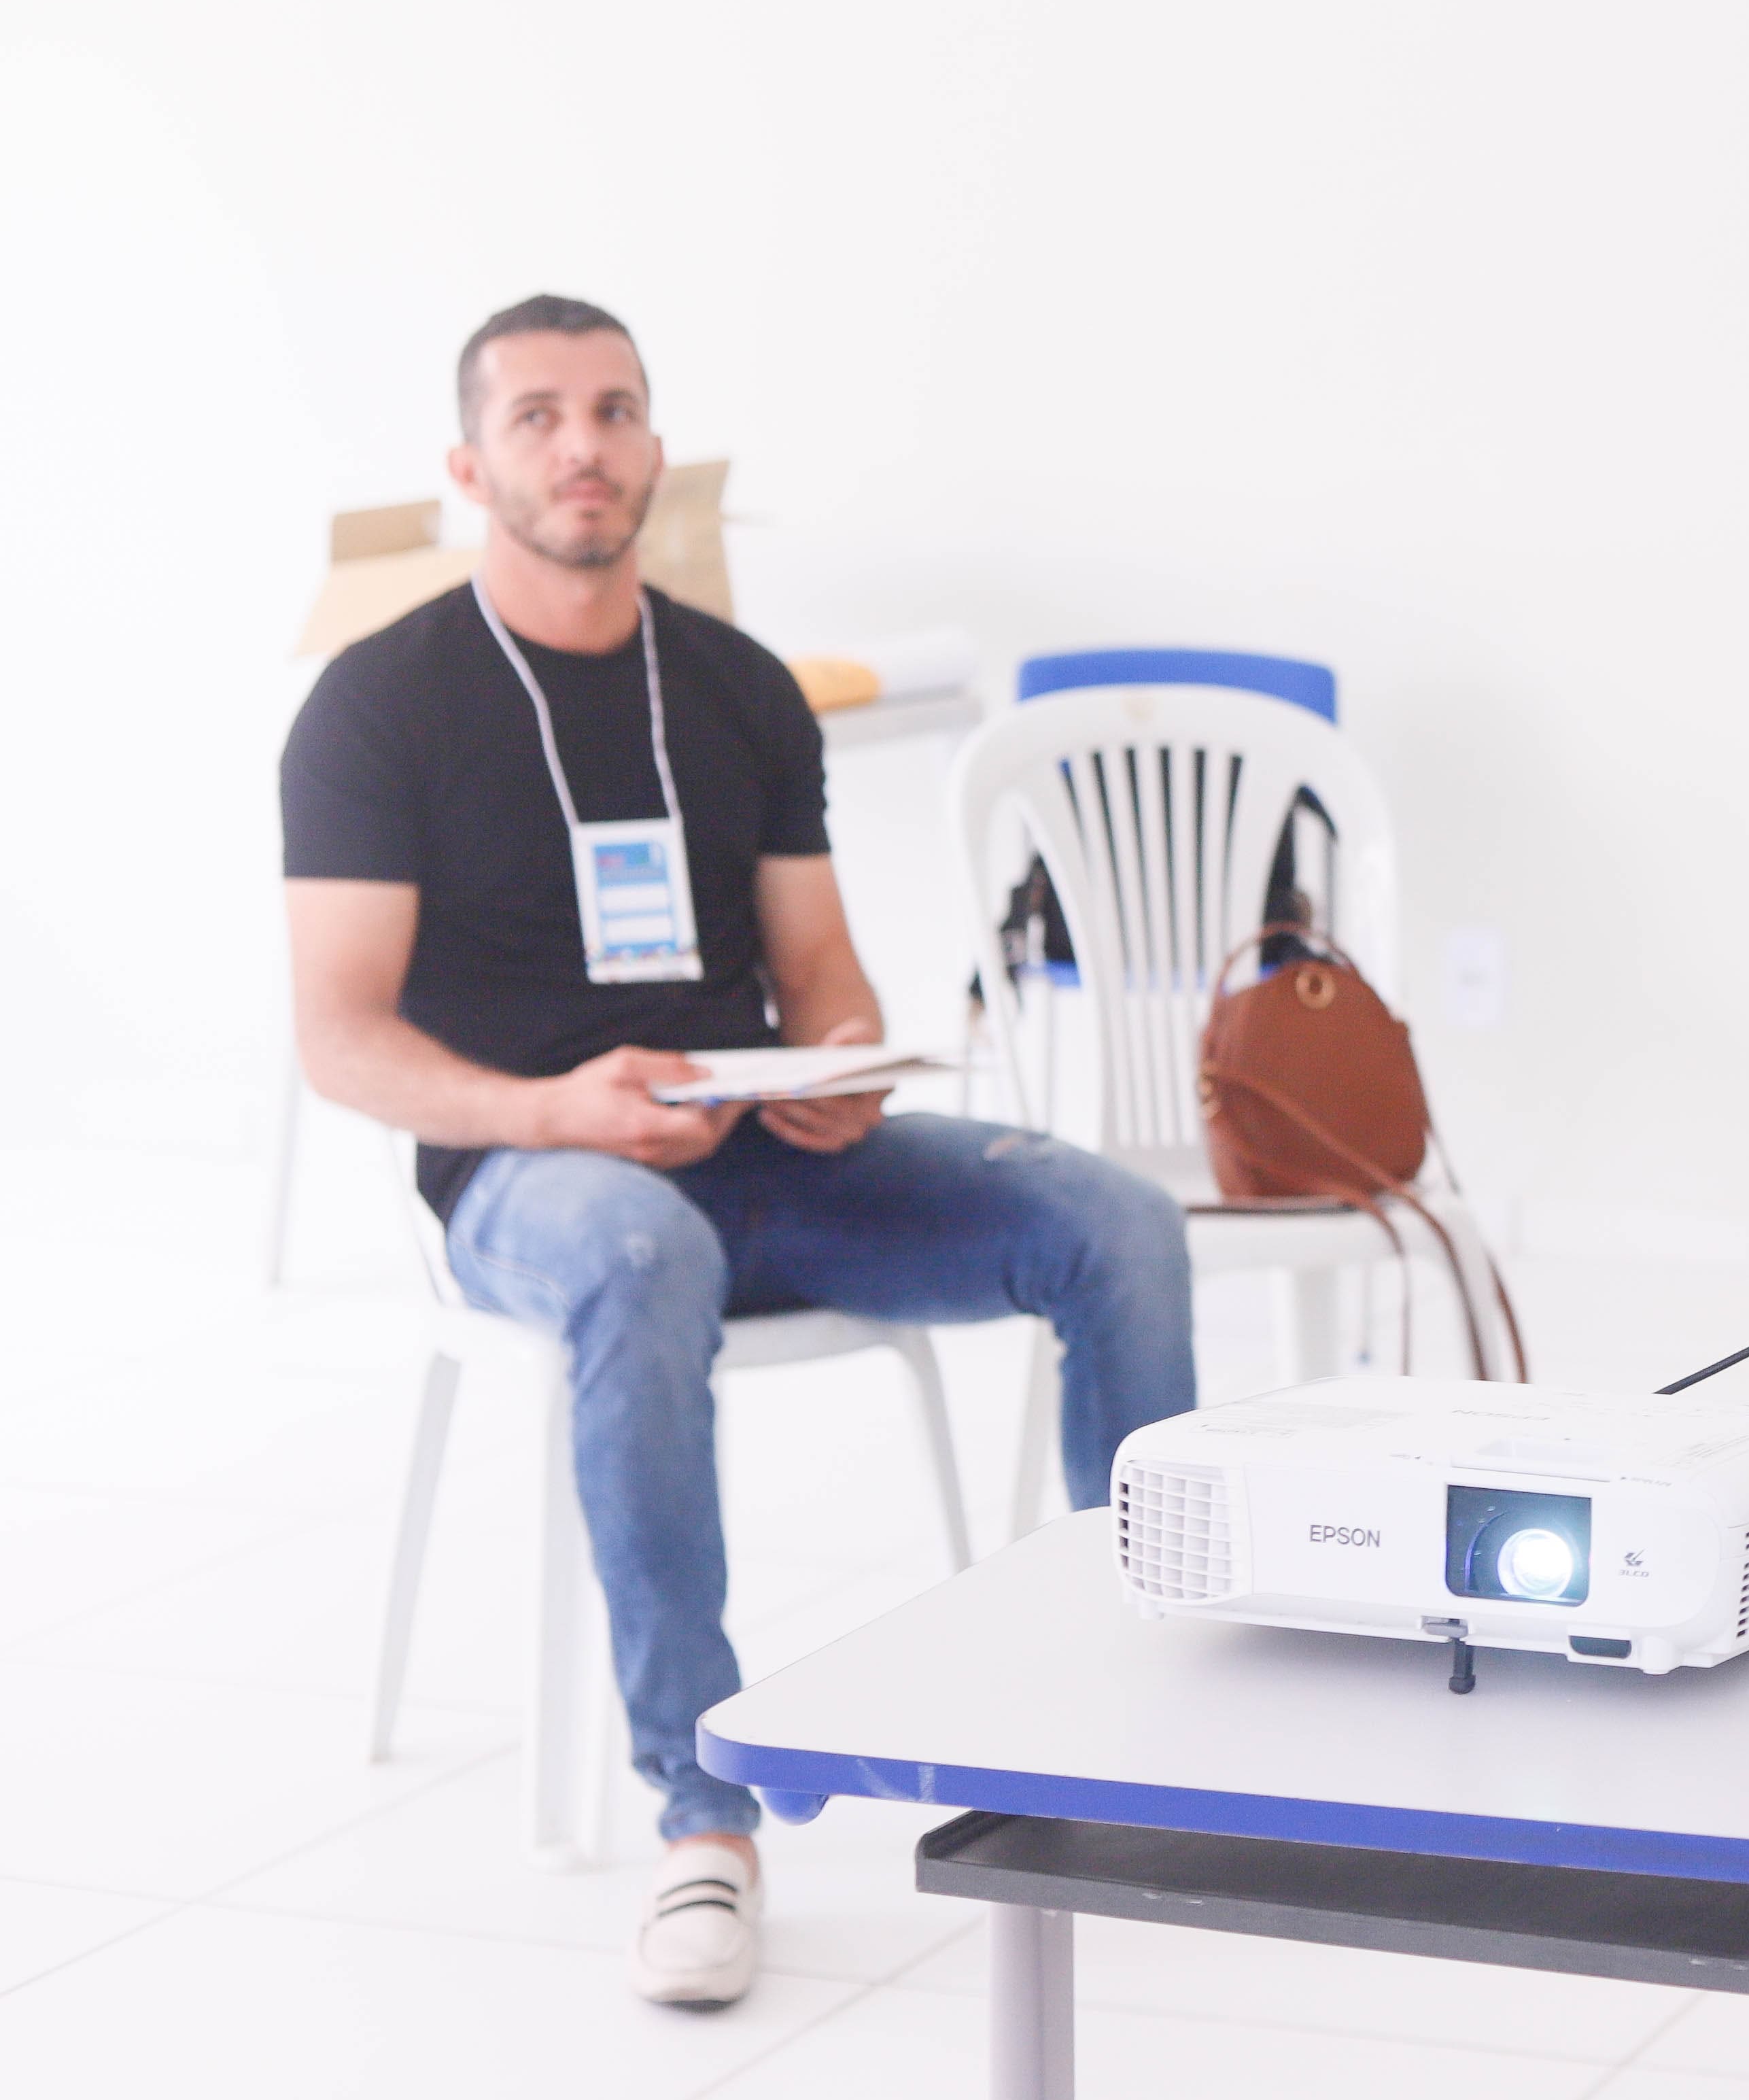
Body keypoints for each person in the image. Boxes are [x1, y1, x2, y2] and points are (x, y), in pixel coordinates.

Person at [281, 296, 1197, 2010]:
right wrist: (559, 1109)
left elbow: (820, 965)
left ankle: (1150, 1722)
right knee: (644, 1247)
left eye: (616, 409)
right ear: (471, 464)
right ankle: (705, 1814)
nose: (586, 445)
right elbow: (341, 1036)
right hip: (531, 1174)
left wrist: (837, 1065)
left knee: (1117, 1223)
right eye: (541, 415)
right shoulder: (379, 704)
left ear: (654, 444)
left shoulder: (737, 685)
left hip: (762, 1150)